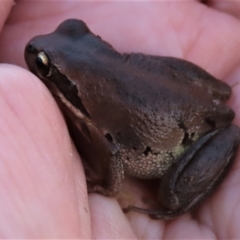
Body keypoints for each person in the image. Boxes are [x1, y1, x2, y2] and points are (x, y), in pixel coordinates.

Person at [0, 1, 240, 238]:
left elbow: (113, 151)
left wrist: (108, 187)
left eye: (43, 63)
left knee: (171, 197)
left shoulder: (90, 114)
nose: (36, 53)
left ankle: (175, 205)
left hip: (194, 134)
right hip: (182, 98)